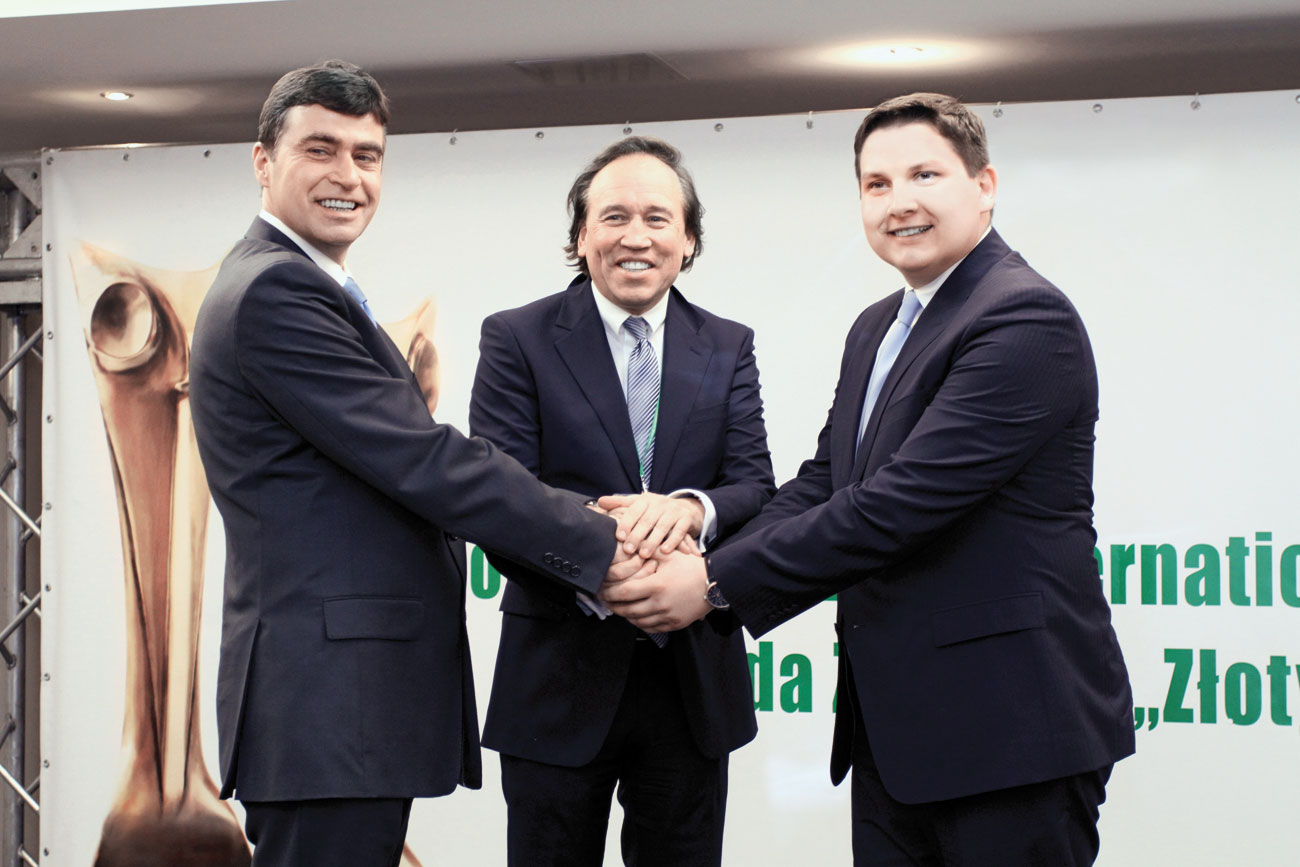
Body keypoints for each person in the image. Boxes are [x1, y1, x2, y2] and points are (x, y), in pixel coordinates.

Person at [602, 93, 1135, 865]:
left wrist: (712, 582)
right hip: (897, 732)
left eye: (924, 175)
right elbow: (827, 480)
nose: (898, 202)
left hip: (1010, 731)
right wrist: (699, 543)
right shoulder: (878, 326)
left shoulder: (1024, 318)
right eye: (876, 184)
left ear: (984, 185)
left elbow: (896, 505)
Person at [188, 60, 619, 867]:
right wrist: (602, 541)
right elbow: (424, 460)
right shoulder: (276, 293)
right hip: (328, 710)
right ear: (263, 162)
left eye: (367, 155)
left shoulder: (300, 284)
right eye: (321, 149)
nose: (348, 176)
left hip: (342, 713)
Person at [468, 135, 775, 866]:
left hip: (691, 680)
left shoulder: (727, 344)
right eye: (614, 217)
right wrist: (612, 556)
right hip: (557, 676)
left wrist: (691, 508)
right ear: (581, 236)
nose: (636, 237)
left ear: (688, 239)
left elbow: (753, 484)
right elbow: (500, 492)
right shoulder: (517, 338)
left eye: (657, 218)